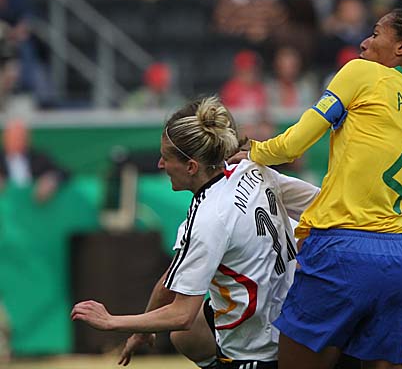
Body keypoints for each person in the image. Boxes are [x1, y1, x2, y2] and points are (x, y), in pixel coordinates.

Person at [229, 7, 402, 369]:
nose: (364, 42)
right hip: (401, 259)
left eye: (375, 34)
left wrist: (253, 150)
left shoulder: (362, 72)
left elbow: (293, 145)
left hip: (342, 249)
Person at [71, 96, 320, 368]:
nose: (160, 165)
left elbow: (182, 314)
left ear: (191, 166)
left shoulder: (208, 218)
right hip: (296, 309)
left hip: (258, 348)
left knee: (186, 326)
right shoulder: (249, 167)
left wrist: (111, 321)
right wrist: (142, 331)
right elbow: (318, 203)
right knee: (186, 337)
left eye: (166, 158)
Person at [0, 119, 70, 202]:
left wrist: (51, 180)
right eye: (13, 137)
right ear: (4, 138)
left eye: (21, 137)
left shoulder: (39, 158)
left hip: (35, 204)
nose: (17, 141)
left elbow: (64, 172)